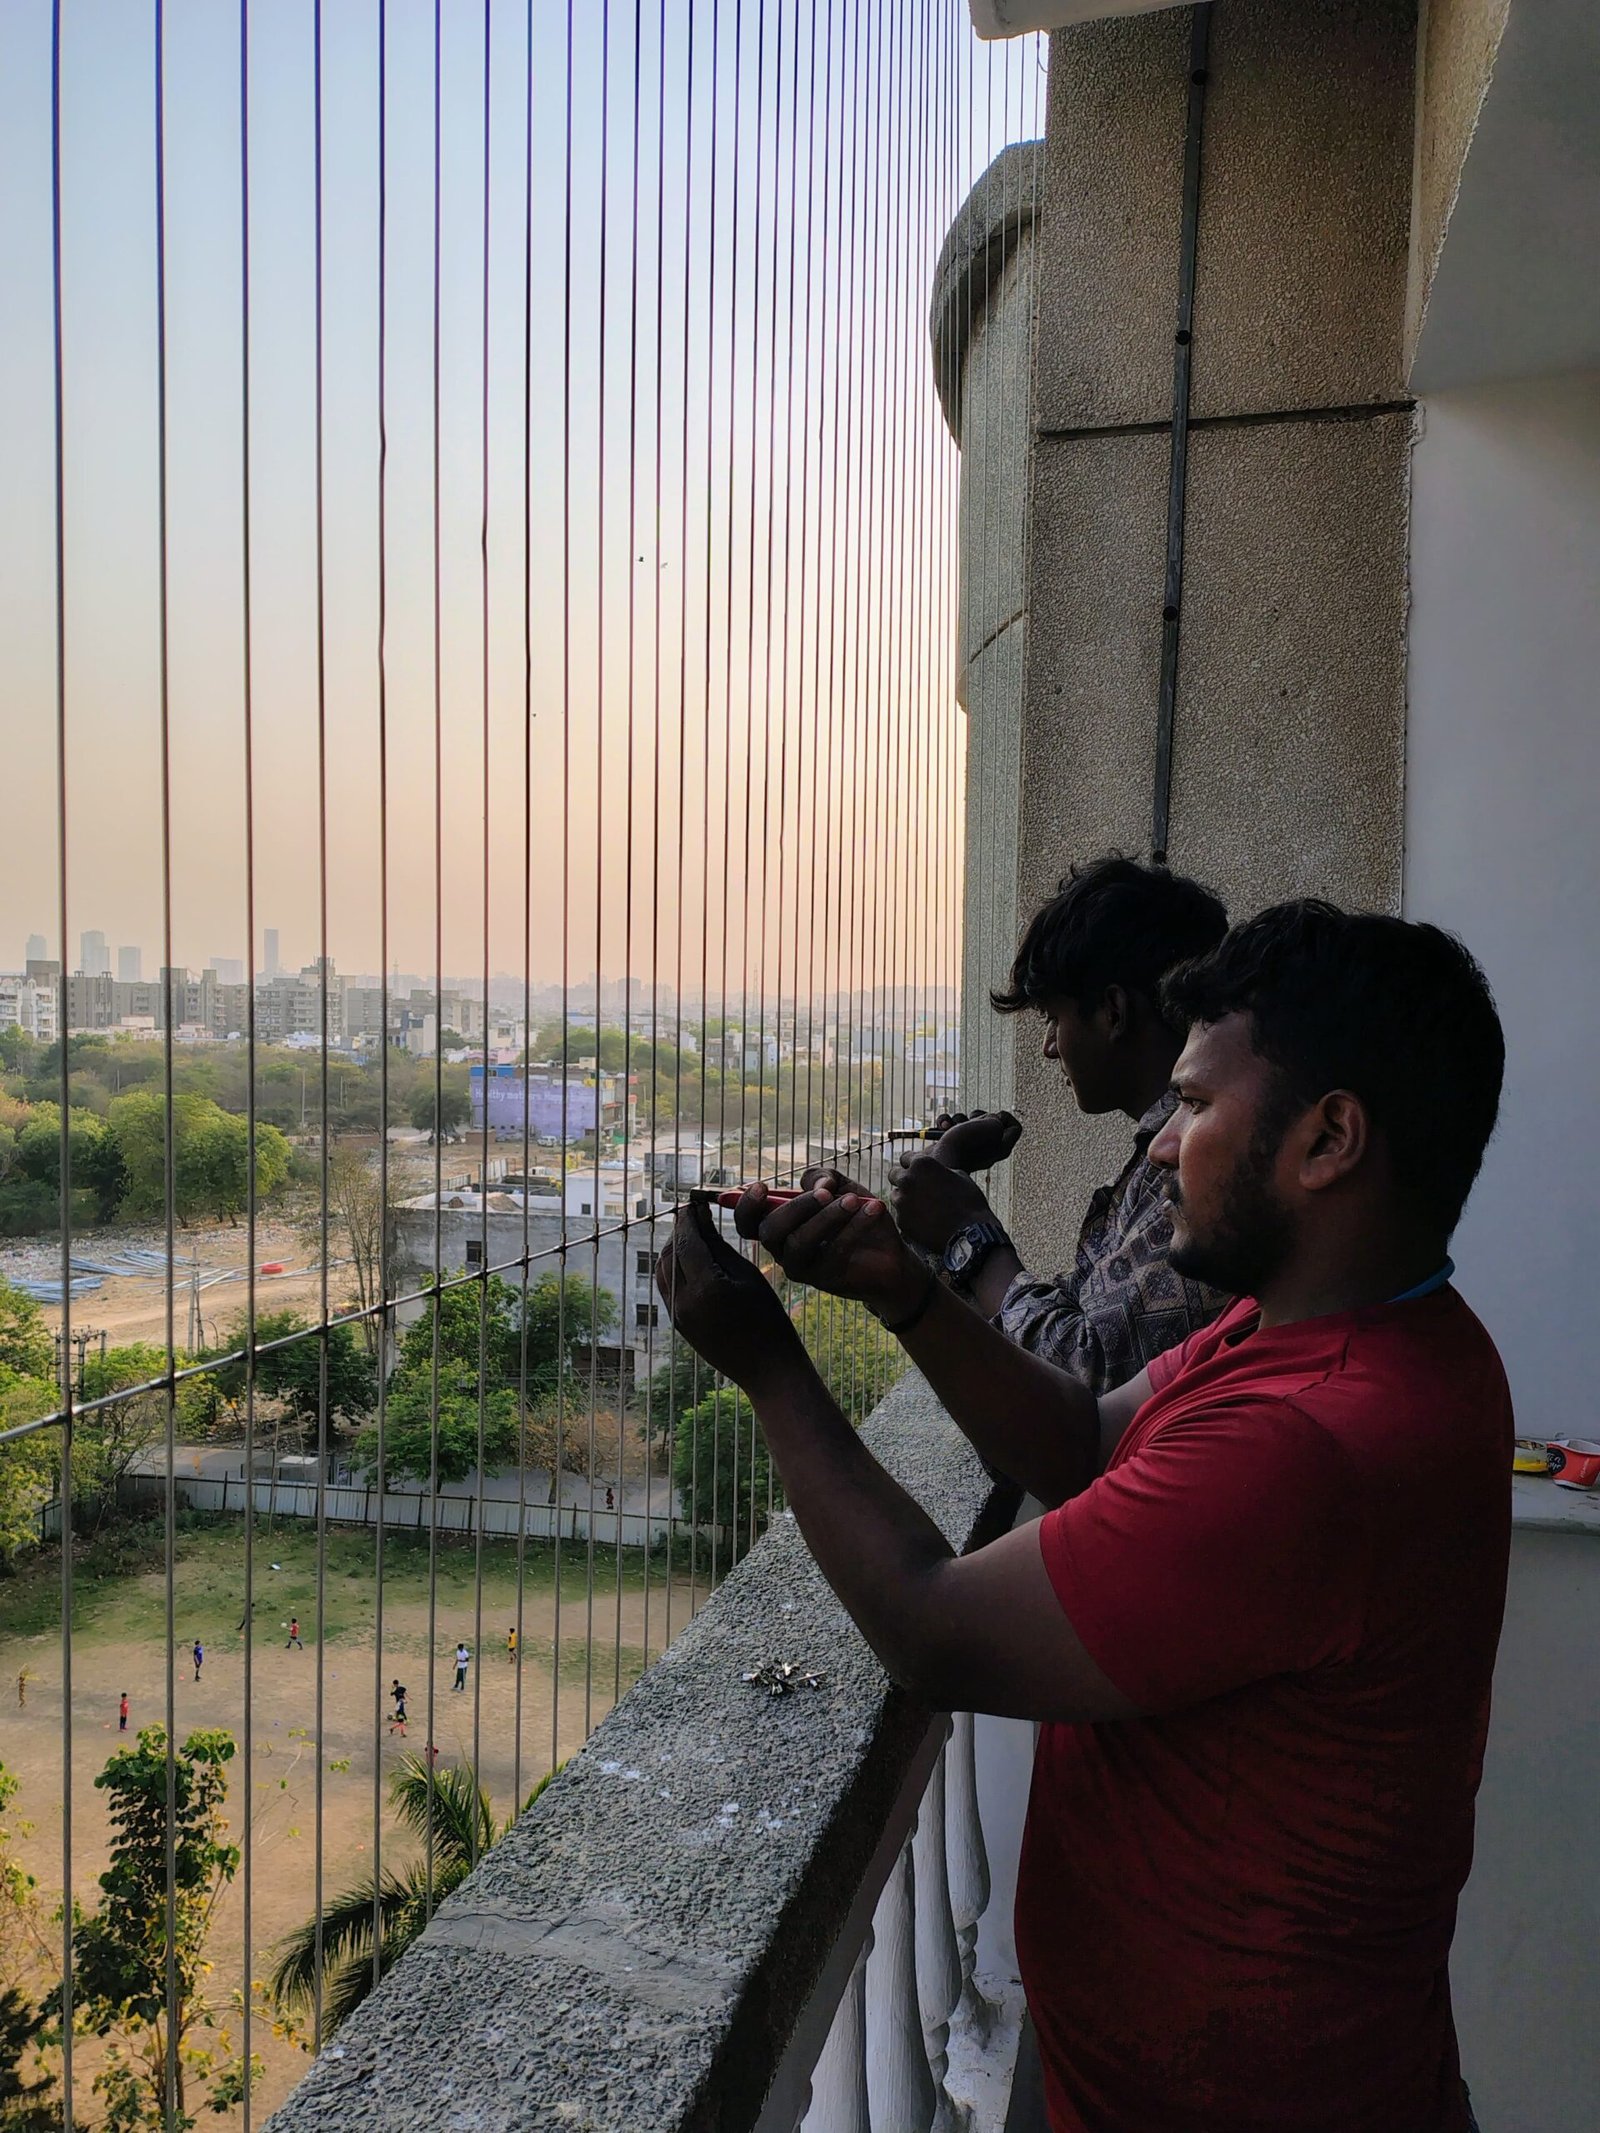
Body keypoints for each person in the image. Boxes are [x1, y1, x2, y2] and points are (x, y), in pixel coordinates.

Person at [657, 902, 1509, 2133]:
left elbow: (935, 1633)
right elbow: (1082, 1441)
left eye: (1198, 1109)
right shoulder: (1339, 1329)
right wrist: (904, 1290)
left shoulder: (1311, 1440)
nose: (1161, 1148)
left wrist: (771, 1371)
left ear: (1327, 1139)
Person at [884, 855, 1232, 1392]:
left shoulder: (1201, 1170)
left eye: (1053, 1018)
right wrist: (942, 1207)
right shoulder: (1160, 1153)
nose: (1049, 1047)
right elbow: (1019, 1370)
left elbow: (1080, 1383)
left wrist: (968, 1230)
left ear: (1113, 1013)